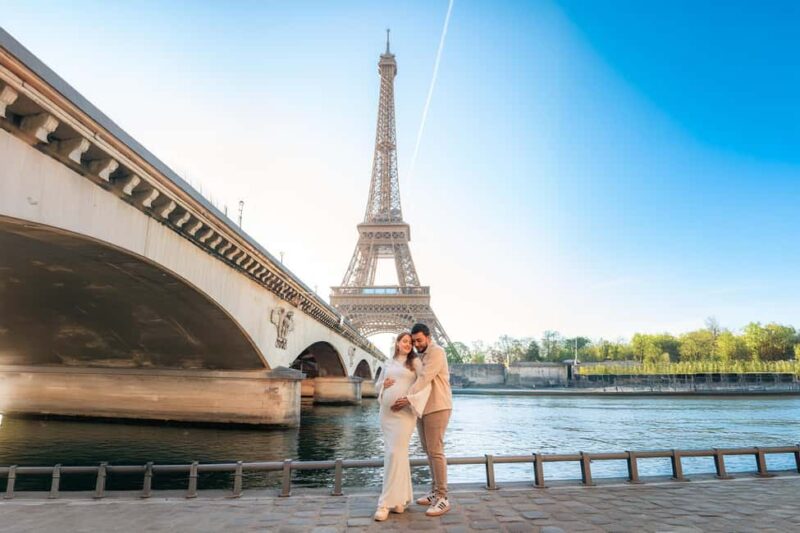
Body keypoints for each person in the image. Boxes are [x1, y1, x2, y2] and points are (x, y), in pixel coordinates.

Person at [391, 323, 453, 517]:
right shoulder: (420, 356)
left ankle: (443, 498)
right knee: (429, 451)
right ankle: (435, 492)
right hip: (423, 407)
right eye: (414, 341)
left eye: (419, 340)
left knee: (436, 451)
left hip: (438, 406)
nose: (416, 344)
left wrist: (406, 398)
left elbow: (425, 378)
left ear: (428, 336)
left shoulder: (437, 352)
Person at [373, 332, 431, 522]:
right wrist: (384, 384)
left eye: (410, 342)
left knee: (393, 454)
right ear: (397, 343)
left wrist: (408, 400)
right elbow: (377, 386)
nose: (408, 344)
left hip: (404, 414)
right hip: (387, 414)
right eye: (404, 341)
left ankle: (384, 503)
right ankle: (400, 500)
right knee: (397, 454)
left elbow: (425, 386)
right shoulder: (387, 363)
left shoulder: (415, 363)